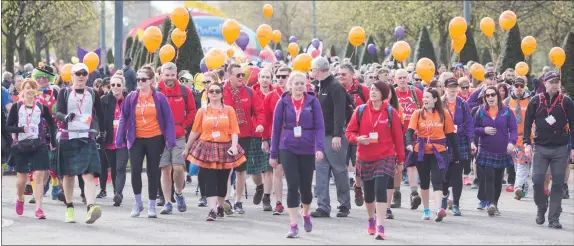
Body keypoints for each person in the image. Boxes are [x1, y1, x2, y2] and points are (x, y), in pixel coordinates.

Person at [346, 81, 404, 240]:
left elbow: (398, 139)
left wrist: (400, 160)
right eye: (371, 89)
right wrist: (358, 138)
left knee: (380, 190)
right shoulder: (360, 110)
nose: (372, 92)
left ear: (384, 94)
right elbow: (349, 132)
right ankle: (371, 219)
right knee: (369, 193)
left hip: (385, 157)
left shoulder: (391, 113)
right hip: (364, 157)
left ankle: (380, 226)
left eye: (377, 90)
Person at [269, 72, 325, 238]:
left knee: (306, 189)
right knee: (292, 185)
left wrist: (319, 147)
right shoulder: (283, 102)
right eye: (297, 83)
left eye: (302, 83)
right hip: (287, 147)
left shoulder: (313, 101)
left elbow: (320, 126)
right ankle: (293, 224)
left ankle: (305, 213)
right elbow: (275, 127)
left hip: (307, 147)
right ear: (290, 85)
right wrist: (273, 154)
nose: (300, 86)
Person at [116, 64, 176, 218]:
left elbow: (169, 119)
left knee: (153, 172)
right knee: (135, 171)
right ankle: (137, 203)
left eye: (143, 79)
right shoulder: (131, 97)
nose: (140, 82)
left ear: (151, 81)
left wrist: (170, 139)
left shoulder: (159, 97)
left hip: (155, 138)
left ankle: (152, 206)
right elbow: (124, 118)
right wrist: (119, 137)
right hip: (136, 139)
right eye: (138, 79)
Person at [183, 82, 246, 221]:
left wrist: (234, 146)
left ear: (222, 93)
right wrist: (187, 148)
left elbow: (234, 130)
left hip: (225, 147)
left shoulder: (229, 110)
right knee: (209, 179)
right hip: (206, 148)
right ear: (207, 93)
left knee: (222, 181)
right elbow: (195, 131)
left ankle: (220, 204)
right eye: (211, 91)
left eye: (217, 91)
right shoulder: (202, 111)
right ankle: (212, 210)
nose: (214, 93)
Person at [54, 63, 105, 224]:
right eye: (78, 73)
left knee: (88, 174)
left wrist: (103, 132)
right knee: (69, 175)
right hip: (68, 137)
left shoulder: (93, 93)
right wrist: (65, 117)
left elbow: (101, 115)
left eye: (84, 73)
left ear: (88, 76)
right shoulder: (64, 92)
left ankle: (91, 207)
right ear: (72, 75)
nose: (81, 76)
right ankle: (69, 208)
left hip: (86, 137)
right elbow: (57, 112)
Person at [523, 71, 574, 229]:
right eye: (551, 82)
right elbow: (527, 123)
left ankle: (554, 218)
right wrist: (527, 143)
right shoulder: (535, 101)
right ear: (544, 84)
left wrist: (573, 148)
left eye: (557, 82)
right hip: (540, 148)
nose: (554, 84)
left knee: (558, 184)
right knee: (537, 181)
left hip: (560, 148)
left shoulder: (566, 102)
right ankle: (541, 207)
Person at [405, 88, 459, 221]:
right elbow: (410, 132)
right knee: (424, 182)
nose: (424, 99)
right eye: (423, 97)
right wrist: (409, 143)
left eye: (428, 97)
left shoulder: (444, 114)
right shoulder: (417, 114)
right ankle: (426, 210)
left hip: (439, 152)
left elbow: (451, 135)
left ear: (435, 99)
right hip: (421, 152)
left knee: (437, 180)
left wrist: (456, 154)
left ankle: (438, 210)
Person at [6, 78, 57, 219]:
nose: (30, 90)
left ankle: (39, 208)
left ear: (36, 91)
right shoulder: (17, 107)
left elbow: (52, 124)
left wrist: (52, 140)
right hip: (22, 146)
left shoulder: (41, 107)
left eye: (32, 88)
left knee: (39, 175)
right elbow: (8, 127)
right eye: (27, 88)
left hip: (38, 144)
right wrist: (21, 128)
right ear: (23, 90)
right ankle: (20, 198)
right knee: (21, 180)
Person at [310, 57, 351, 218]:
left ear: (318, 70)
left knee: (339, 170)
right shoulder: (318, 86)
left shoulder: (335, 86)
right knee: (321, 171)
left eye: (313, 69)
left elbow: (339, 112)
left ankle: (344, 204)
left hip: (333, 136)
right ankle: (323, 206)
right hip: (320, 136)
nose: (311, 72)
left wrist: (337, 135)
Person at [222, 63, 265, 214]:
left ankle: (238, 201)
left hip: (244, 135)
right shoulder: (220, 91)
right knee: (226, 168)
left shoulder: (249, 92)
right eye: (238, 75)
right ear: (229, 76)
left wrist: (259, 124)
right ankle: (225, 199)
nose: (242, 77)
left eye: (243, 75)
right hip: (225, 136)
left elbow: (260, 111)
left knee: (240, 170)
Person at [156, 62, 197, 214]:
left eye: (173, 75)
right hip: (161, 136)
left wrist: (184, 126)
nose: (170, 78)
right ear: (161, 75)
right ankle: (167, 202)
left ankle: (179, 193)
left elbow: (193, 111)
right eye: (167, 75)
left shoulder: (185, 91)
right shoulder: (156, 91)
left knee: (178, 168)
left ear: (177, 75)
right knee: (165, 169)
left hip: (179, 135)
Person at [473, 85, 517, 216]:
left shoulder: (507, 111)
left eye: (493, 95)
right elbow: (474, 128)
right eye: (487, 95)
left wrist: (511, 143)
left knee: (498, 179)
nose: (490, 97)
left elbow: (513, 130)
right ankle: (490, 203)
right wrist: (483, 130)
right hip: (485, 150)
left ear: (498, 96)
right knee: (489, 177)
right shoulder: (480, 111)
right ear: (485, 98)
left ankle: (495, 204)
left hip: (502, 151)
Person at [440, 74, 475, 216]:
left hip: (459, 140)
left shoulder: (462, 104)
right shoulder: (440, 103)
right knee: (443, 172)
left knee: (457, 173)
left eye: (455, 87)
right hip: (443, 139)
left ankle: (456, 204)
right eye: (450, 87)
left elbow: (469, 124)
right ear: (445, 88)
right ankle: (443, 198)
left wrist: (472, 141)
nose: (453, 90)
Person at [338, 63, 370, 207]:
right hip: (341, 131)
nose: (340, 77)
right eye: (339, 74)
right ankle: (344, 202)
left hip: (360, 132)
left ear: (352, 75)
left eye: (343, 74)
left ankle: (358, 187)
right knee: (341, 165)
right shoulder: (336, 89)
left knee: (359, 163)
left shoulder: (363, 91)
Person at [262, 66, 291, 214]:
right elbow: (266, 120)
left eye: (284, 76)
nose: (280, 79)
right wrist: (265, 139)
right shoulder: (271, 96)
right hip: (277, 138)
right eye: (278, 76)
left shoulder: (299, 95)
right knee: (277, 170)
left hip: (295, 139)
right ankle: (279, 202)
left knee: (293, 172)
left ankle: (295, 200)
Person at [247, 68, 276, 212]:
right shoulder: (252, 92)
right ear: (258, 79)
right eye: (262, 77)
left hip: (270, 134)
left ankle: (267, 197)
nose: (265, 79)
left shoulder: (275, 94)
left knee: (268, 168)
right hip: (254, 134)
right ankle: (259, 187)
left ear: (271, 79)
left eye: (267, 77)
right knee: (254, 169)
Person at [394, 68, 423, 210]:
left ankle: (414, 194)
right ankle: (397, 194)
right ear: (395, 80)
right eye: (400, 78)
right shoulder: (392, 94)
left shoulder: (416, 93)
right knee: (397, 165)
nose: (403, 80)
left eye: (405, 77)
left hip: (413, 134)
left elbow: (424, 112)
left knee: (412, 164)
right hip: (396, 134)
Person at [100, 72, 129, 206]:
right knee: (113, 167)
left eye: (118, 85)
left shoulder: (129, 100)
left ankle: (118, 193)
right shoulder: (104, 101)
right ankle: (117, 192)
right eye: (113, 85)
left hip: (123, 140)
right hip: (109, 140)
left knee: (120, 167)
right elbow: (98, 119)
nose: (115, 87)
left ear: (123, 86)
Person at [503, 77, 533, 200]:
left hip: (526, 137)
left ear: (524, 86)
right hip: (512, 138)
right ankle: (524, 188)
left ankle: (517, 187)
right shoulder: (507, 102)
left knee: (522, 163)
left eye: (521, 86)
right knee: (517, 164)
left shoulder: (531, 100)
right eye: (517, 86)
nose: (519, 88)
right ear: (513, 87)